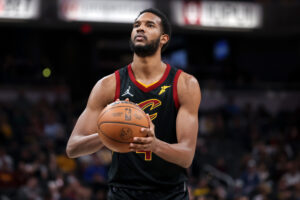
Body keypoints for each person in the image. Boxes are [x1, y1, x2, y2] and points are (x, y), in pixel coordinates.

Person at [66, 8, 201, 200]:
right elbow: (73, 147)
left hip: (171, 194)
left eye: (149, 25)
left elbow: (187, 155)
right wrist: (106, 134)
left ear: (164, 39)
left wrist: (154, 145)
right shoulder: (108, 85)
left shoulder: (185, 84)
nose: (140, 29)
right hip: (123, 193)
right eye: (136, 25)